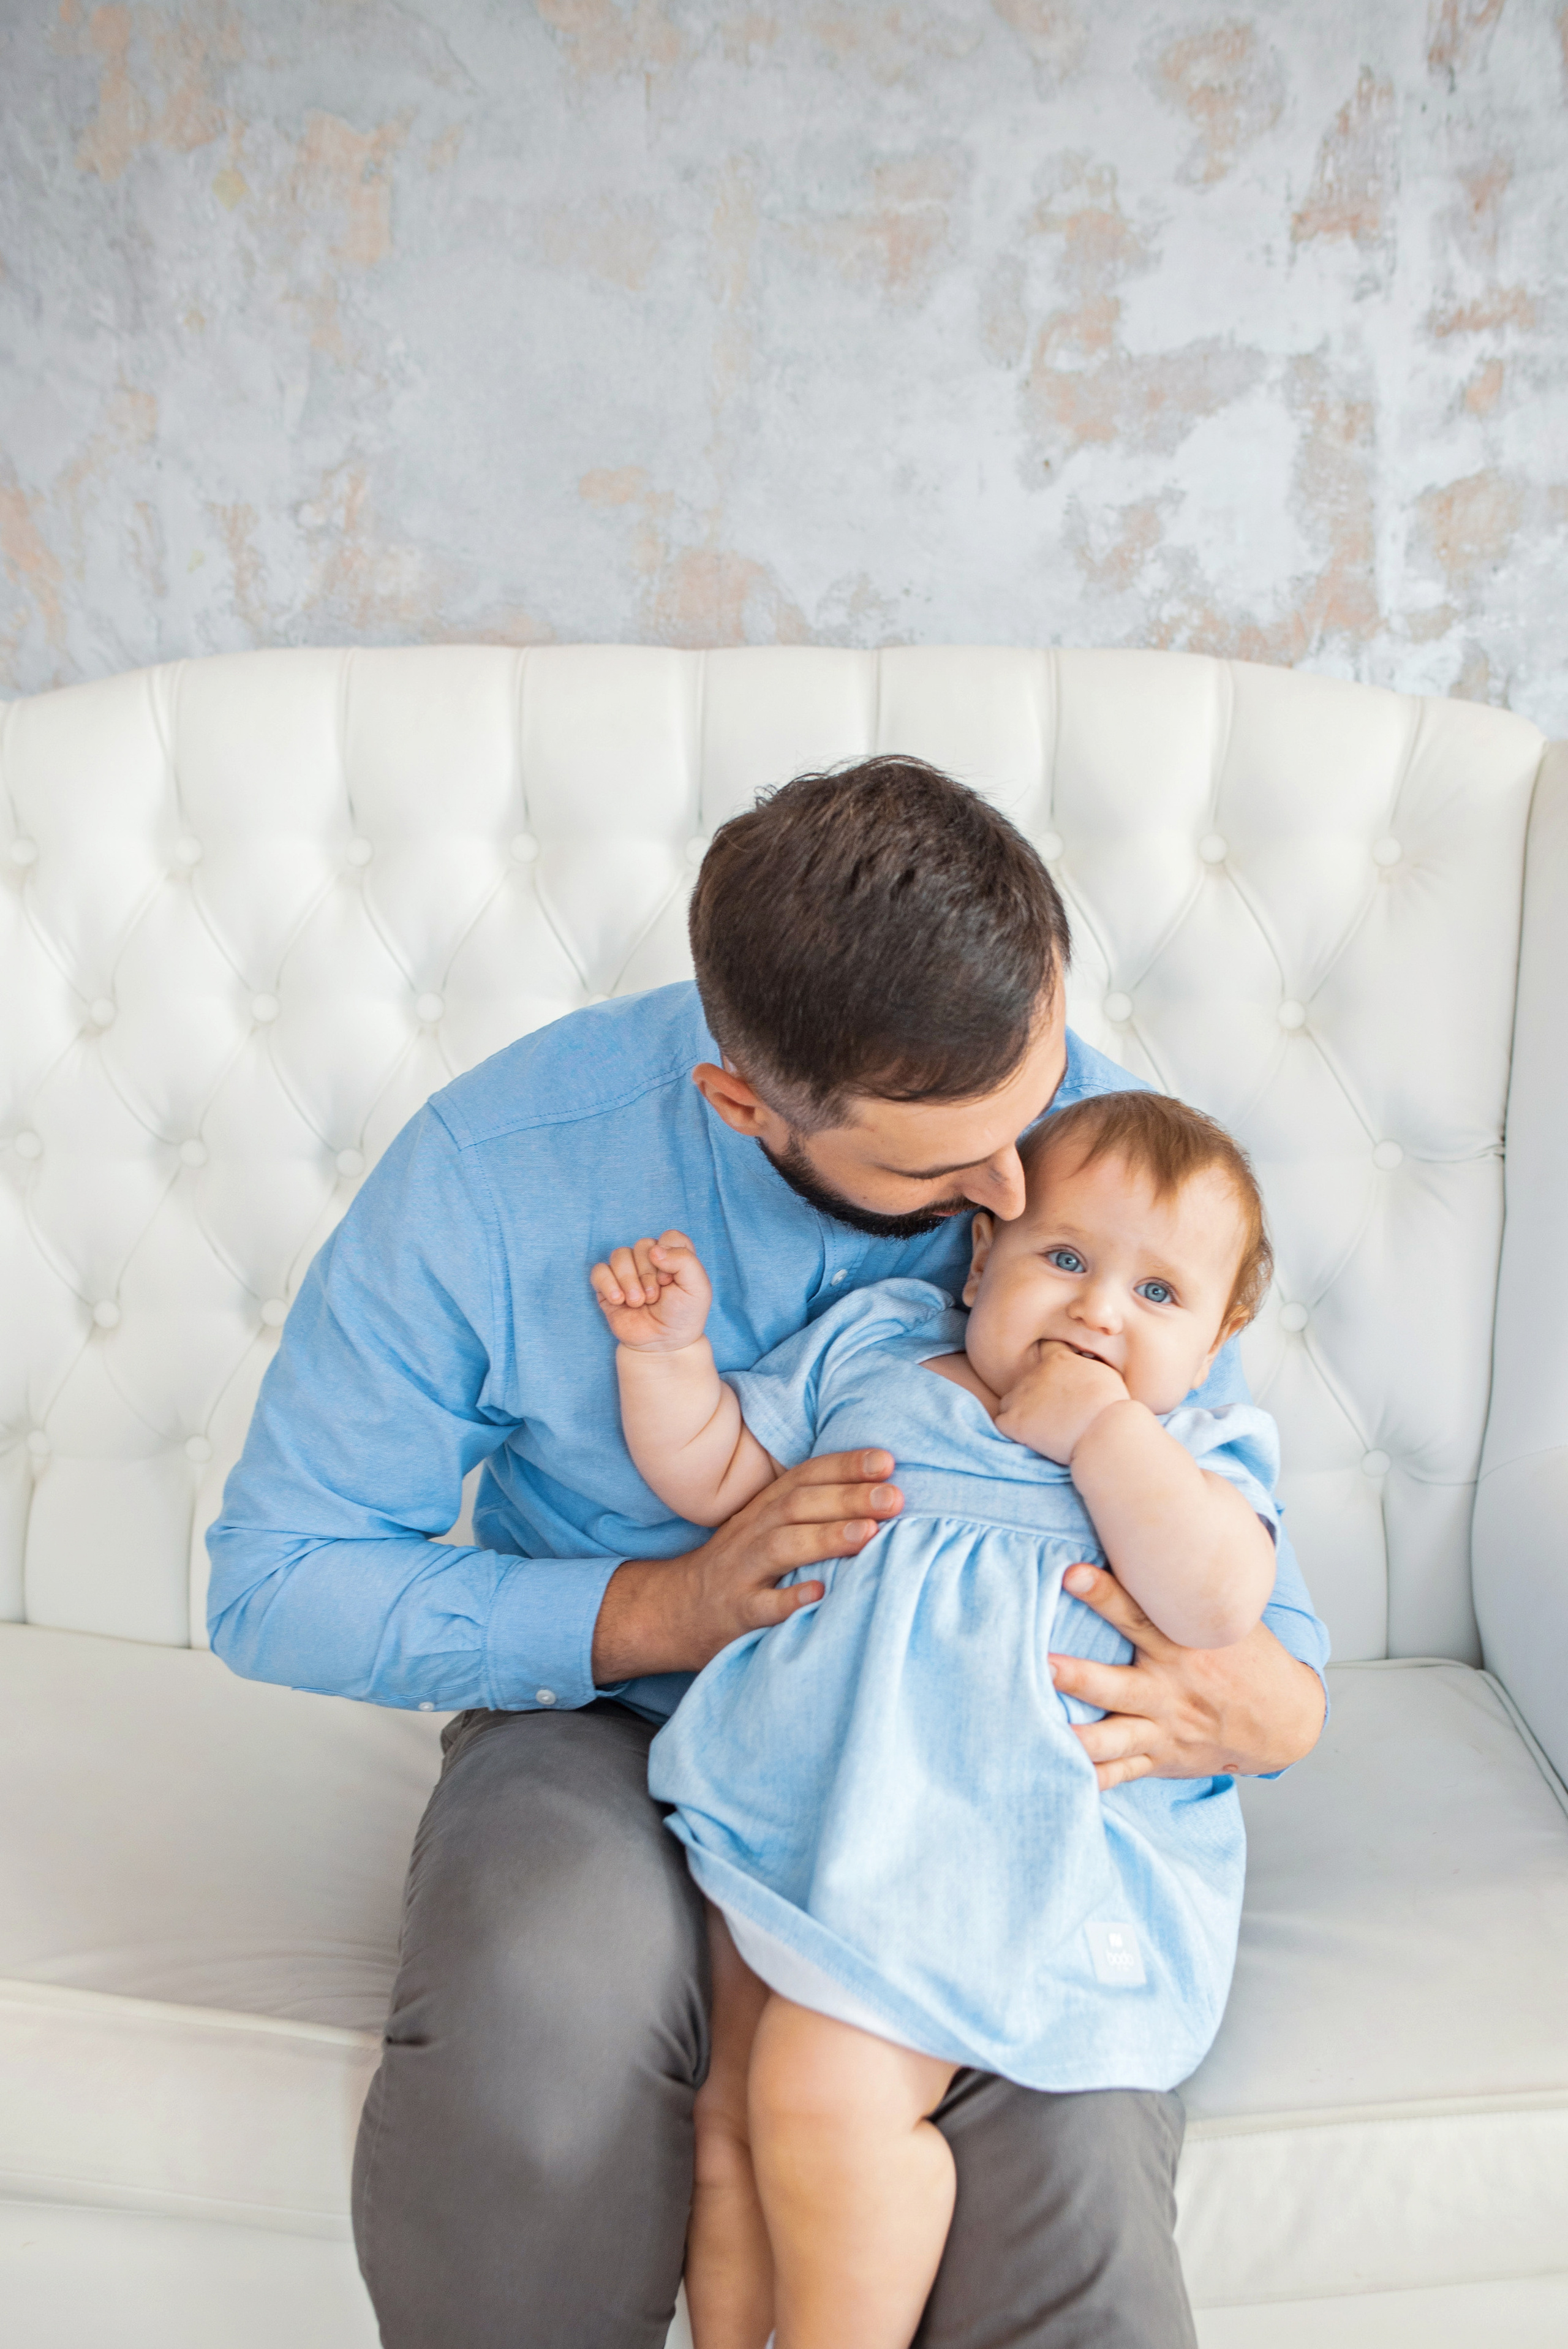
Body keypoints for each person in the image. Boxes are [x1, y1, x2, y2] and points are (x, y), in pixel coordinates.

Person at [207, 757, 1329, 2349]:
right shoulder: (496, 1173)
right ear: (748, 1103)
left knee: (1073, 2149)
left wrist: (1273, 1709)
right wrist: (654, 1608)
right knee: (546, 2009)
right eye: (950, 1171)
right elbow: (275, 1575)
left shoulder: (1080, 1146)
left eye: (1040, 1097)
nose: (1015, 1198)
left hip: (979, 1748)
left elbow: (1243, 1566)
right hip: (618, 1715)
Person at [593, 1089, 1281, 2349]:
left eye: (1157, 1297)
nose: (1094, 1311)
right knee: (728, 2123)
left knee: (817, 2091)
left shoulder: (1187, 1449)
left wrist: (1101, 1434)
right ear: (982, 1257)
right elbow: (718, 1475)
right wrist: (664, 1359)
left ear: (1220, 1335)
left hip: (983, 1842)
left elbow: (1217, 1599)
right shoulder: (881, 1355)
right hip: (812, 1804)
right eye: (1064, 1260)